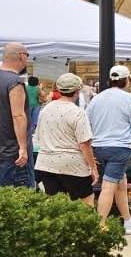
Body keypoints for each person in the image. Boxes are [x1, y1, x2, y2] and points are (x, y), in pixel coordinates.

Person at [86, 65, 131, 232]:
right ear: (126, 80)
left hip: (99, 146)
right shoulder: (129, 99)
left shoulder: (96, 98)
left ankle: (128, 221)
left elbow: (86, 121)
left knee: (120, 182)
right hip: (120, 147)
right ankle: (100, 225)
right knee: (109, 186)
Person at [35, 72, 99, 203]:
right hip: (73, 165)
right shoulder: (77, 112)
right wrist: (93, 168)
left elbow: (39, 136)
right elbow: (84, 144)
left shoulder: (45, 109)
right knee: (86, 203)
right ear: (78, 90)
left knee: (55, 207)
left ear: (58, 89)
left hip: (46, 163)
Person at [0, 42, 31, 188]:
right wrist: (23, 147)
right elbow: (18, 115)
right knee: (18, 200)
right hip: (12, 152)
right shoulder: (15, 82)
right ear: (21, 56)